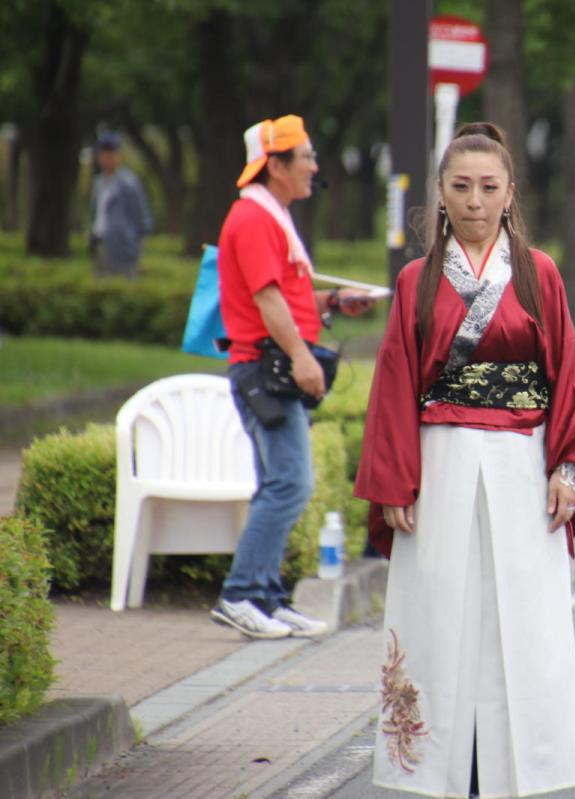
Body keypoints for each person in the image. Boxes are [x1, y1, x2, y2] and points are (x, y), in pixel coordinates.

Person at [354, 122, 575, 798]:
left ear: (511, 192)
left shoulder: (538, 272)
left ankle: (525, 765)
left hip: (523, 455)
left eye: (489, 187)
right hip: (442, 454)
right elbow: (397, 379)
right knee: (437, 604)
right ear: (440, 192)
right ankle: (436, 765)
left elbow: (567, 373)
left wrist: (567, 467)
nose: (475, 201)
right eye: (461, 186)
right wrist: (395, 481)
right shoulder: (416, 280)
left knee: (525, 610)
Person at [212, 114, 373, 639]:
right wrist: (303, 357)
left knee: (277, 483)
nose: (314, 166)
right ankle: (240, 594)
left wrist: (332, 302)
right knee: (290, 483)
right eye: (305, 157)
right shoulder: (256, 220)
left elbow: (283, 295)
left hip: (266, 365)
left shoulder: (268, 215)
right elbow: (265, 299)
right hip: (267, 368)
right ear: (274, 165)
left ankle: (265, 596)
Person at [89, 131, 153, 277]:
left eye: (110, 155)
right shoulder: (98, 183)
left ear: (118, 157)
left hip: (123, 247)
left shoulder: (129, 183)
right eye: (103, 155)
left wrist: (133, 244)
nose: (106, 160)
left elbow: (142, 218)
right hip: (100, 242)